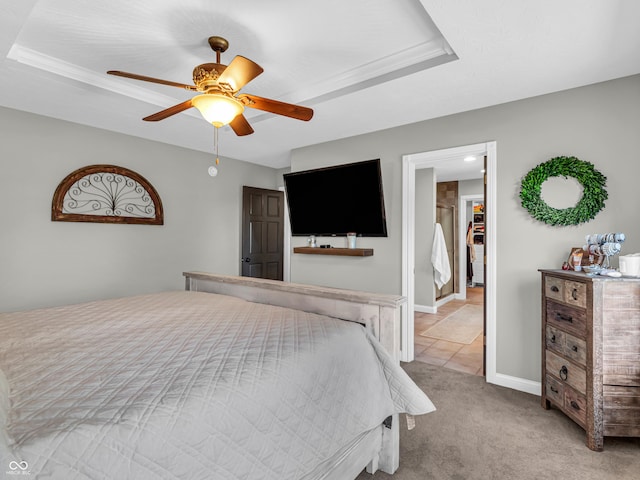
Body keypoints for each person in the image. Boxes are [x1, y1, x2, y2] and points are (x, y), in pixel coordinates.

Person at [466, 221, 476, 286]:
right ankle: (469, 279)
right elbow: (470, 242)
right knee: (469, 264)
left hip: (468, 247)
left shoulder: (470, 230)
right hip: (469, 248)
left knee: (469, 264)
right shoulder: (470, 230)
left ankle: (469, 279)